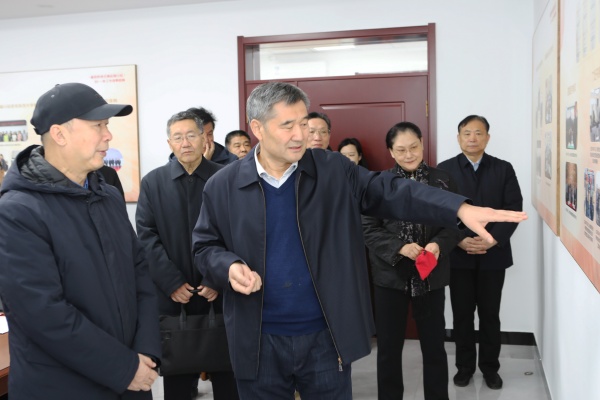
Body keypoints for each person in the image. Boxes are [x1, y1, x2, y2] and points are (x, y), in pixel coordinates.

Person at [191, 82, 526, 399]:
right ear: (258, 128)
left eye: (304, 123)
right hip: (258, 339)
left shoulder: (333, 170)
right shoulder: (223, 185)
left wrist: (458, 208)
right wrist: (228, 266)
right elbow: (205, 247)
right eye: (287, 125)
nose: (300, 135)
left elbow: (393, 190)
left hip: (327, 336)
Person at [0, 82, 161, 399]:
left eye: (107, 125)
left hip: (132, 378)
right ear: (59, 134)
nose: (108, 135)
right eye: (97, 125)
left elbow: (140, 275)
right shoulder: (17, 212)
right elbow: (44, 314)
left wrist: (145, 352)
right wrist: (124, 368)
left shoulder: (107, 196)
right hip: (63, 387)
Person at [136, 110, 239, 400]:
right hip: (174, 296)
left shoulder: (226, 177)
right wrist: (171, 282)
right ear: (169, 142)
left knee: (229, 378)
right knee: (178, 382)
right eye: (178, 137)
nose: (185, 143)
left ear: (205, 139)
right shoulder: (153, 182)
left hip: (219, 291)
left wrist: (217, 277)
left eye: (191, 135)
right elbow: (146, 237)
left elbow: (239, 231)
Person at [362, 122, 459, 400]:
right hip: (390, 276)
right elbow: (368, 228)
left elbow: (455, 223)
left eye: (414, 147)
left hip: (430, 275)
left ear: (422, 143)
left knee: (434, 346)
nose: (409, 154)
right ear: (391, 152)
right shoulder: (377, 184)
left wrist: (438, 244)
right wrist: (400, 248)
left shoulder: (443, 181)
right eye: (401, 150)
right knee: (389, 348)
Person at [437, 115, 523, 390]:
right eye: (467, 133)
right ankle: (464, 368)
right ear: (458, 137)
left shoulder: (503, 168)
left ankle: (490, 368)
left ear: (487, 137)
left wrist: (491, 240)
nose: (472, 138)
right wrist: (459, 240)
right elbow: (438, 211)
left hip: (493, 255)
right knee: (462, 314)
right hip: (458, 255)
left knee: (489, 314)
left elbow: (513, 208)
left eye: (478, 133)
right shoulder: (444, 169)